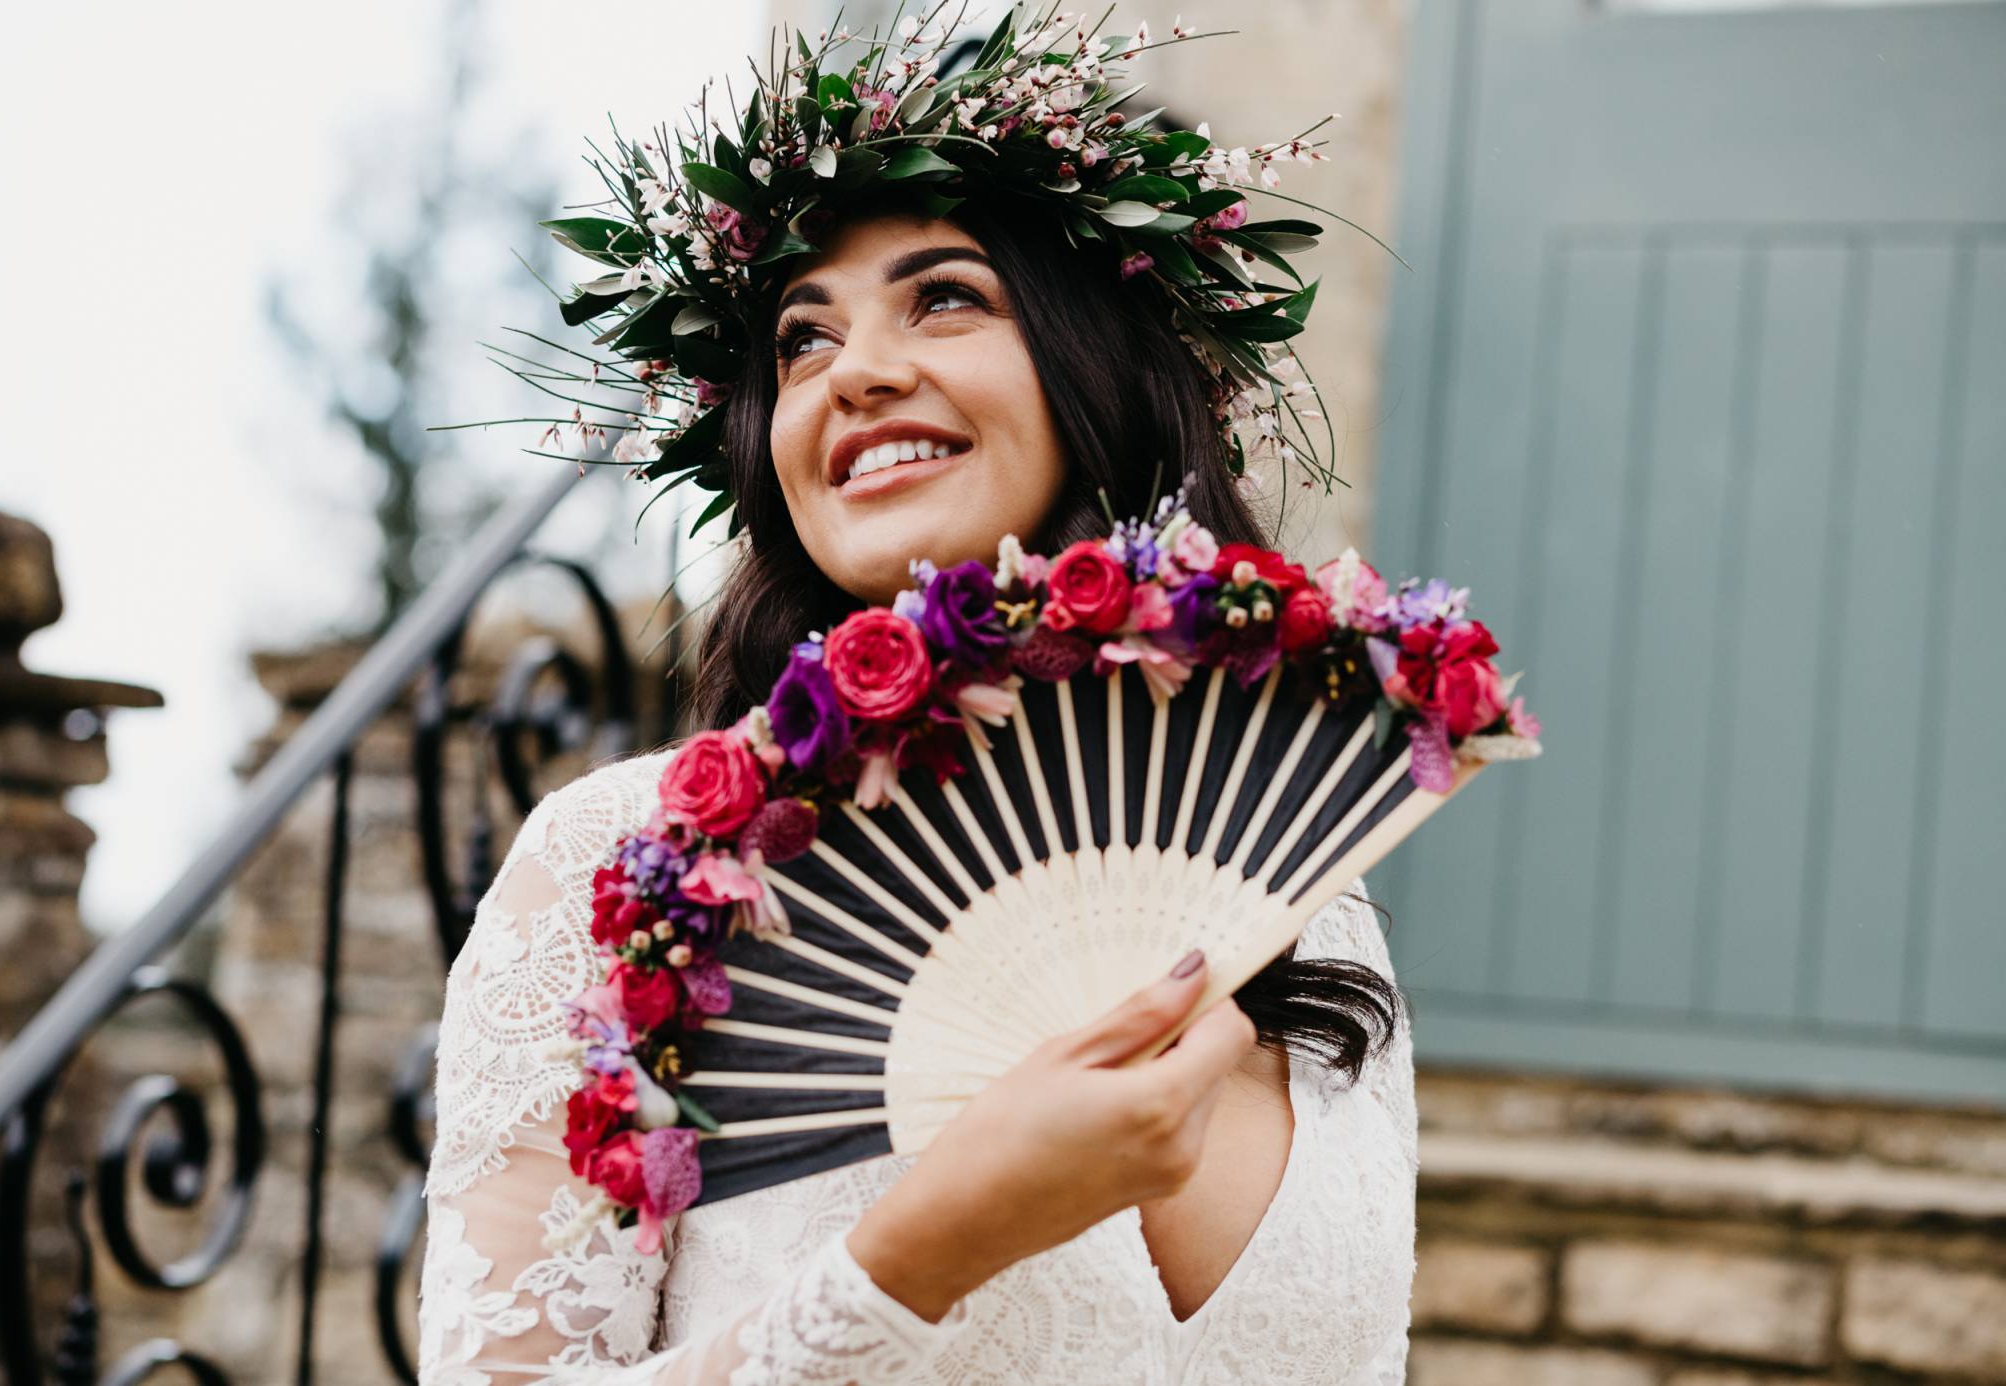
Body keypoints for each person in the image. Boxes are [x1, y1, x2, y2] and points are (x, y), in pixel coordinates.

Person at [419, 20, 1417, 1385]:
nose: (854, 369)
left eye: (943, 296)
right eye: (801, 339)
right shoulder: (615, 874)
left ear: (1100, 364)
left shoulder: (1305, 887)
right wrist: (930, 1246)